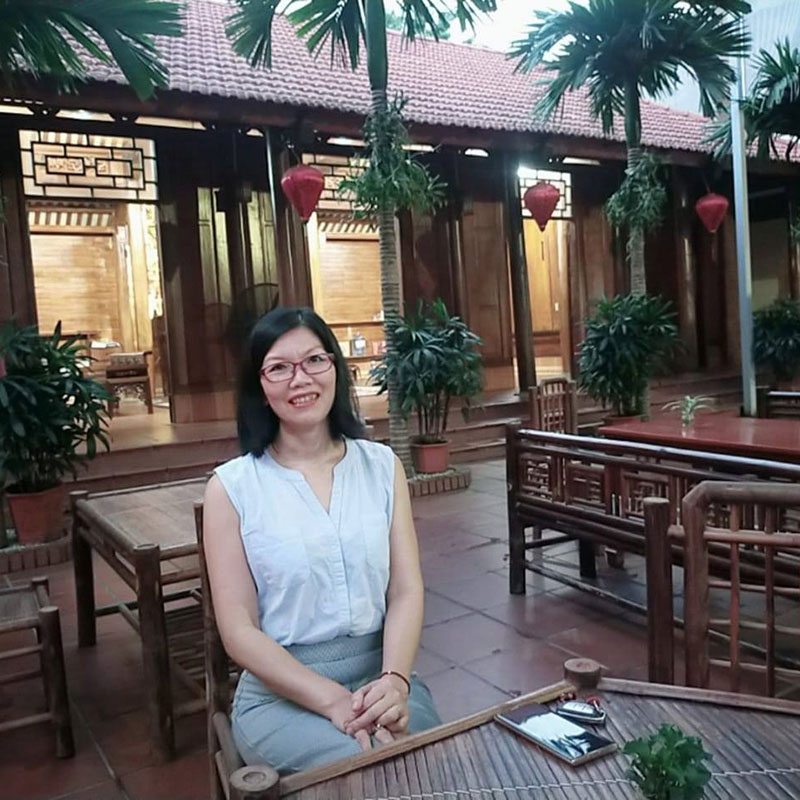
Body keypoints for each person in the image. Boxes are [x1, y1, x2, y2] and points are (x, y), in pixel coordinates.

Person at [203, 306, 440, 773]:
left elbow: (405, 590)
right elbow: (238, 631)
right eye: (279, 368)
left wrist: (395, 681)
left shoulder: (382, 467)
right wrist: (332, 700)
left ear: (335, 367)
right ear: (258, 386)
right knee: (369, 768)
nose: (301, 379)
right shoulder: (231, 489)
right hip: (282, 693)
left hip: (382, 675)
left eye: (315, 360)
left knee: (428, 759)